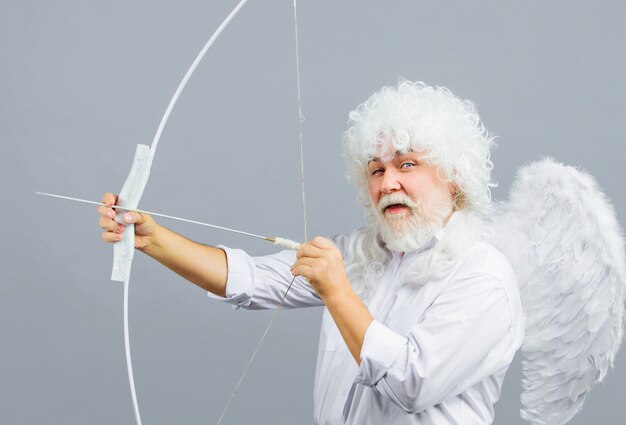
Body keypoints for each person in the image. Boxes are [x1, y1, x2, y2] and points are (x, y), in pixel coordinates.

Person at [98, 80, 525, 424]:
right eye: (376, 170)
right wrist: (150, 238)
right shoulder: (361, 251)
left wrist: (337, 291)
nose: (387, 183)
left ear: (453, 178)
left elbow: (412, 382)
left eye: (406, 164)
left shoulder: (483, 275)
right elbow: (251, 279)